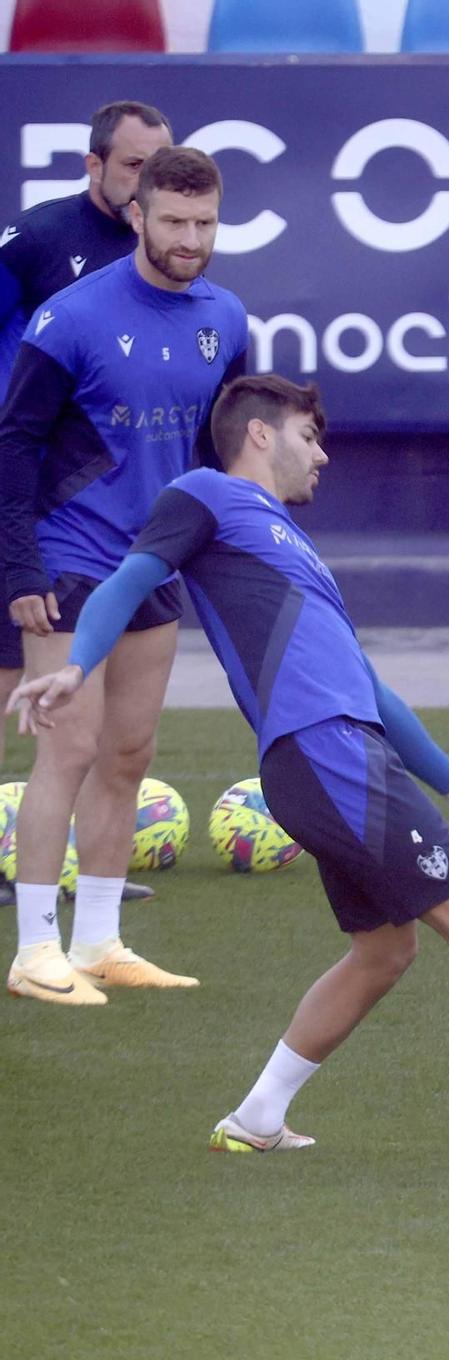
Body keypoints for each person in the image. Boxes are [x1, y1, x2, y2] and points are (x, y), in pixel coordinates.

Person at [10, 375, 449, 1167]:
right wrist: (78, 666)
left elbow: (366, 681)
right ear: (258, 435)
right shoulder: (203, 494)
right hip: (325, 752)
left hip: (341, 750)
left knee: (385, 952)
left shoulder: (288, 540)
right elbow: (131, 578)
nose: (322, 456)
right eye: (310, 437)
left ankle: (257, 1116)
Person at [0, 145, 246, 1006]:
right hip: (68, 559)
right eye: (174, 221)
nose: (191, 239)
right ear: (135, 215)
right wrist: (19, 565)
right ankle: (35, 952)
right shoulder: (69, 318)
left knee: (128, 753)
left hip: (155, 563)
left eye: (205, 223)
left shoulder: (227, 316)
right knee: (66, 749)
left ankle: (98, 940)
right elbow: (15, 443)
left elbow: (223, 450)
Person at [0, 100, 174, 874]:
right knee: (14, 683)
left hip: (110, 509)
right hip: (26, 488)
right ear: (93, 166)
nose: (146, 182)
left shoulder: (166, 249)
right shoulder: (38, 240)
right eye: (133, 166)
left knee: (106, 725)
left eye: (158, 166)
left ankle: (87, 877)